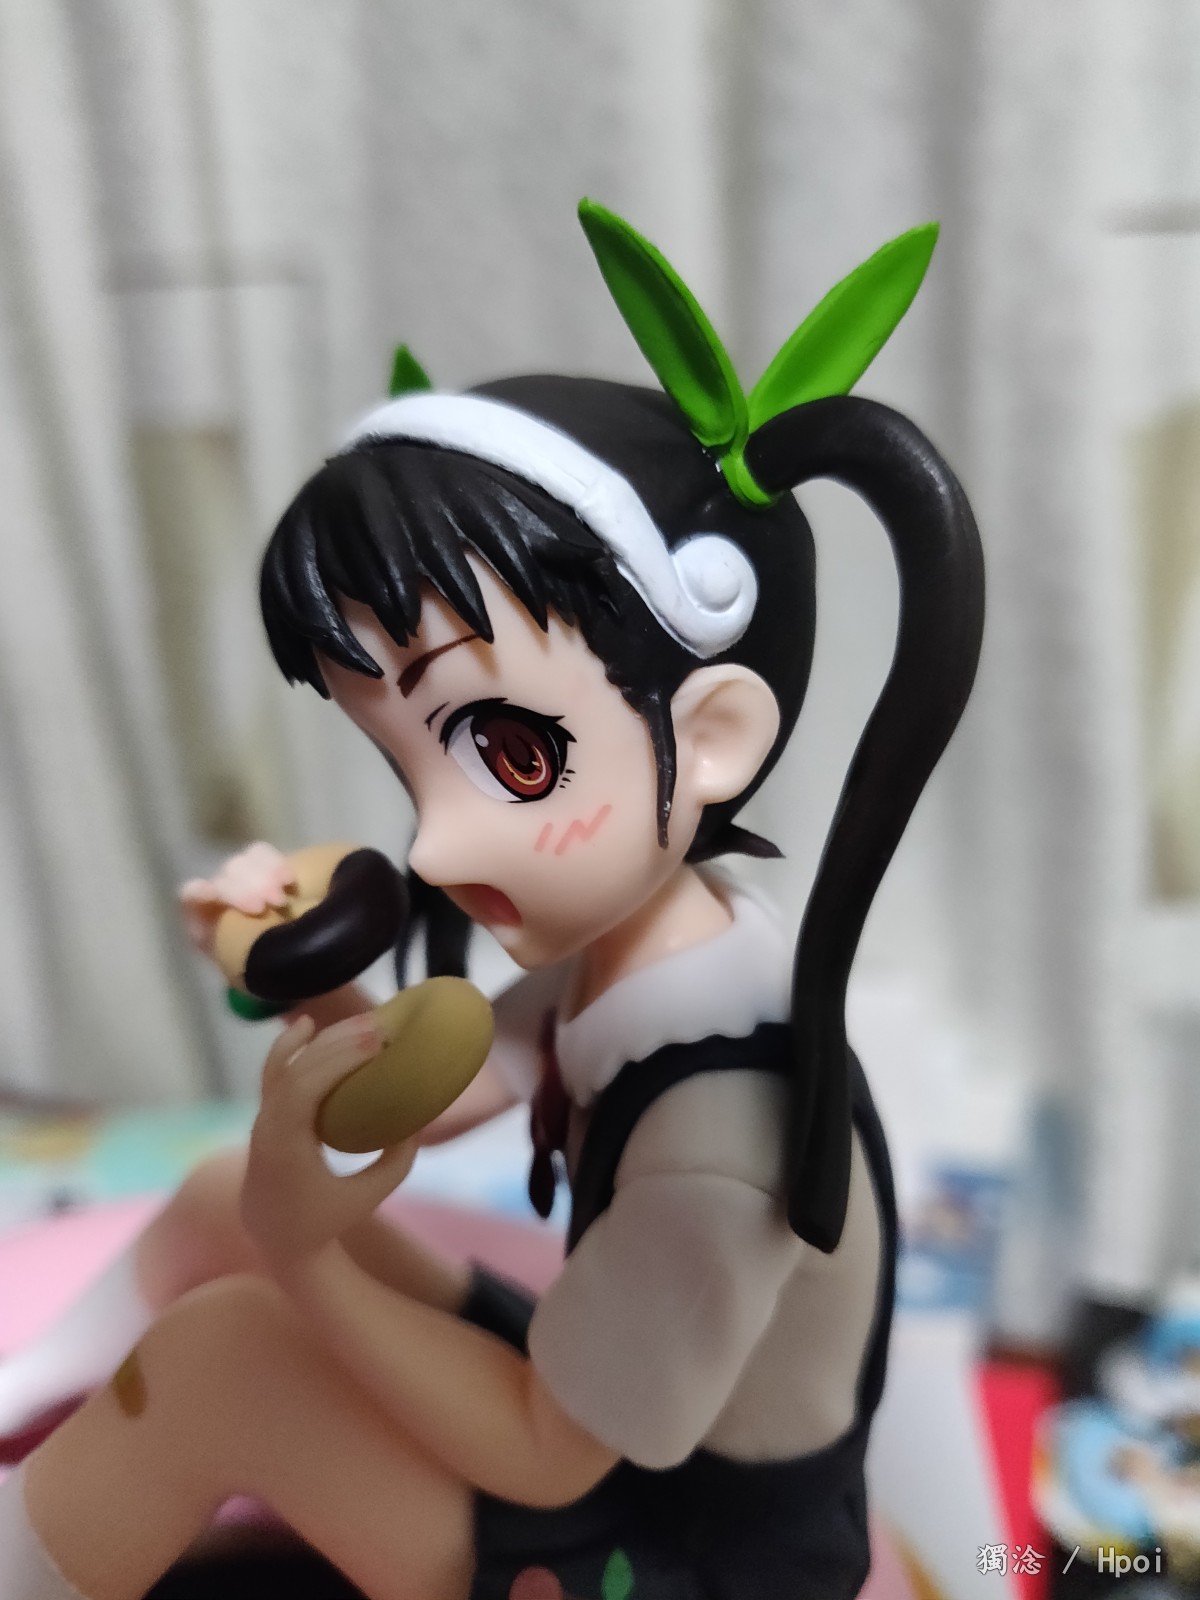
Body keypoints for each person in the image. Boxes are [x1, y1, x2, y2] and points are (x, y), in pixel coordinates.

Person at [0, 202, 983, 1600]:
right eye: (402, 758)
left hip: (681, 1555)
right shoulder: (649, 953)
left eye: (514, 755)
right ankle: (34, 1394)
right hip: (601, 1415)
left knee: (227, 1358)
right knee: (225, 1197)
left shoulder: (717, 1143)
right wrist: (291, 960)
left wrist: (307, 1256)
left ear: (710, 737)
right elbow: (416, 1093)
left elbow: (544, 1457)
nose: (433, 838)